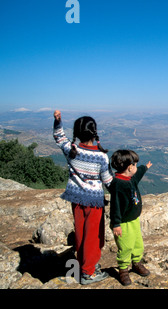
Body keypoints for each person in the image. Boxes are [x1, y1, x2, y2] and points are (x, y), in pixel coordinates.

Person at [53, 110, 113, 285]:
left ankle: (83, 264)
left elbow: (59, 137)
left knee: (80, 233)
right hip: (94, 202)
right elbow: (108, 181)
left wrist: (58, 121)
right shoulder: (101, 156)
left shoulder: (72, 150)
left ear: (77, 133)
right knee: (93, 236)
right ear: (95, 133)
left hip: (76, 199)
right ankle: (88, 272)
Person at [109, 150, 152, 286]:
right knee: (126, 246)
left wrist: (144, 168)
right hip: (123, 222)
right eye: (135, 165)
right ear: (129, 167)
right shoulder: (118, 184)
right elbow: (115, 206)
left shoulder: (130, 178)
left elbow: (137, 174)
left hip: (133, 219)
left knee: (137, 243)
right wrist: (116, 224)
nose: (136, 167)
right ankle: (123, 270)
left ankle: (136, 262)